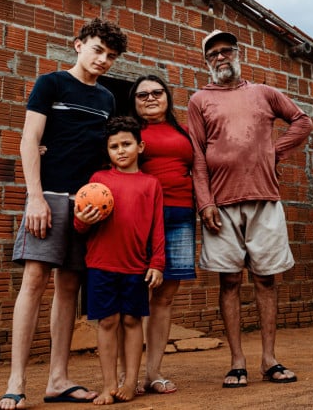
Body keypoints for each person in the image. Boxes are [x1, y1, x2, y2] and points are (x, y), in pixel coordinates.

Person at [0, 18, 128, 410]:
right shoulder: (51, 83)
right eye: (98, 50)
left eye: (111, 56)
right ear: (78, 45)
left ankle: (58, 378)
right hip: (49, 197)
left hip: (86, 203)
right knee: (35, 280)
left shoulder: (107, 99)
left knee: (69, 287)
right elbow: (29, 140)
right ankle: (16, 382)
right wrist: (34, 197)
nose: (104, 60)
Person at [188, 29, 313, 388]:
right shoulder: (199, 100)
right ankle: (237, 362)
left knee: (266, 279)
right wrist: (205, 202)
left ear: (238, 53)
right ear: (206, 61)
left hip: (265, 200)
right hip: (221, 206)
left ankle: (269, 359)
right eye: (213, 54)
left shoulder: (263, 92)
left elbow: (303, 122)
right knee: (229, 281)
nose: (221, 57)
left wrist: (276, 151)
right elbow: (196, 154)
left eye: (226, 50)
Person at [74, 116, 165, 405]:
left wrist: (157, 262)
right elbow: (81, 225)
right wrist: (81, 221)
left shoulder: (151, 184)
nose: (121, 150)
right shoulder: (98, 181)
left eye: (126, 144)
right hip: (101, 263)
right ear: (108, 151)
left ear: (140, 146)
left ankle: (130, 381)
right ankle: (108, 385)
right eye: (114, 146)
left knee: (132, 320)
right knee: (108, 321)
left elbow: (157, 227)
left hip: (136, 265)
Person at [126, 74, 198, 395]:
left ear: (168, 97)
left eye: (157, 92)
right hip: (142, 216)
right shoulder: (129, 133)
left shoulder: (184, 132)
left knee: (165, 298)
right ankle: (127, 375)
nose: (151, 98)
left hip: (182, 215)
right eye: (143, 95)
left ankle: (153, 373)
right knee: (135, 295)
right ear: (134, 102)